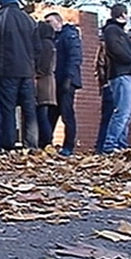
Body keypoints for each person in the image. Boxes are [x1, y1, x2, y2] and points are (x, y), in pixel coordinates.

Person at [0, 0, 40, 150]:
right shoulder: (30, 20)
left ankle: (8, 144)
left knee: (7, 108)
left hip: (6, 69)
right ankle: (31, 144)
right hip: (27, 70)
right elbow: (38, 48)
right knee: (29, 109)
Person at [100, 3, 131, 154]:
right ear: (123, 14)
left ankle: (120, 144)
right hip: (122, 74)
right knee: (122, 112)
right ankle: (111, 145)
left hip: (126, 74)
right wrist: (129, 61)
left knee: (126, 113)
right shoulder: (113, 30)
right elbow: (114, 49)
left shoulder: (118, 31)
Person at [45, 11, 82, 156]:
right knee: (52, 113)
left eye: (49, 22)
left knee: (66, 113)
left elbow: (75, 57)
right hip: (55, 81)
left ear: (58, 22)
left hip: (66, 80)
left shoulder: (69, 35)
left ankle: (68, 146)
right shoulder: (55, 38)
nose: (47, 25)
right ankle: (47, 143)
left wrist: (69, 78)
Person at [35, 20, 57, 149]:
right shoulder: (51, 44)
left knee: (41, 114)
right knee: (44, 113)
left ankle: (46, 141)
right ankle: (46, 141)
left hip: (43, 83)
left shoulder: (44, 45)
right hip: (48, 82)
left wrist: (36, 74)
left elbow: (44, 66)